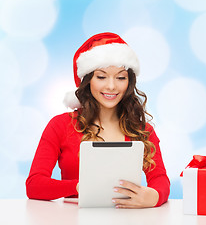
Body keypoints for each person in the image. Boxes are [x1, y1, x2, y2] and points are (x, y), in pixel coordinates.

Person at [26, 32, 170, 208]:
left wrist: (154, 196)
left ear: (129, 82)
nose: (111, 86)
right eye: (101, 76)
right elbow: (34, 185)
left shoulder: (142, 129)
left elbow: (160, 179)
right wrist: (80, 187)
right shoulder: (61, 125)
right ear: (87, 81)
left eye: (121, 77)